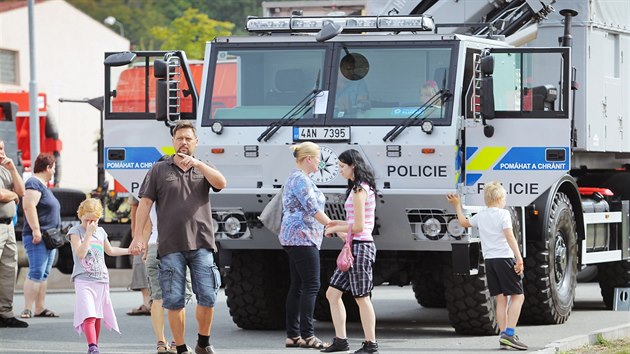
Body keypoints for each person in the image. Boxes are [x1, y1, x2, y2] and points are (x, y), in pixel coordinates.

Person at [129, 120, 227, 354]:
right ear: (173, 142)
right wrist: (137, 237)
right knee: (174, 300)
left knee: (208, 296)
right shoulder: (159, 170)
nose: (183, 142)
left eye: (188, 139)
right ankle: (181, 347)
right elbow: (144, 204)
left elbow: (221, 183)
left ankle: (203, 342)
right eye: (179, 138)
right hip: (170, 246)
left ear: (196, 143)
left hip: (202, 244)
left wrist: (199, 165)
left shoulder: (204, 168)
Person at [446, 182, 527, 351]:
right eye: (504, 198)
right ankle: (510, 334)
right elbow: (510, 236)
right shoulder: (504, 214)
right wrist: (519, 258)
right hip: (505, 259)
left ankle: (503, 335)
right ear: (499, 198)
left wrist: (457, 205)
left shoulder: (481, 215)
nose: (505, 201)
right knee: (518, 297)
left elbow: (463, 223)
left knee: (500, 299)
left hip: (490, 261)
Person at [322, 149, 379, 354]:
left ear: (353, 165)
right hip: (354, 248)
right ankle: (341, 340)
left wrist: (336, 228)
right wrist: (336, 223)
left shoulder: (359, 190)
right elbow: (354, 222)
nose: (339, 170)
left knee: (362, 297)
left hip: (360, 247)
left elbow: (359, 227)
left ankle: (371, 344)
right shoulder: (358, 188)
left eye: (342, 166)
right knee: (332, 293)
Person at [280, 142, 332, 349]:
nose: (320, 162)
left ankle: (293, 335)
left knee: (298, 286)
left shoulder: (297, 178)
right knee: (311, 285)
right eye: (318, 158)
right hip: (302, 237)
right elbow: (312, 208)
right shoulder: (300, 180)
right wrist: (333, 226)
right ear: (309, 159)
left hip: (296, 237)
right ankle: (308, 336)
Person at [68, 198, 132, 354]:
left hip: (101, 279)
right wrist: (88, 235)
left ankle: (94, 346)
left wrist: (129, 251)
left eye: (94, 220)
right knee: (89, 315)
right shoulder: (75, 232)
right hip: (83, 279)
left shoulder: (101, 231)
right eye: (86, 219)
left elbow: (110, 251)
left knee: (97, 316)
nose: (90, 223)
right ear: (80, 215)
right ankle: (92, 347)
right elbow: (81, 253)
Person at [145, 155, 194, 354]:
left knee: (157, 298)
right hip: (178, 247)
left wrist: (145, 246)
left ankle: (160, 342)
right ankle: (176, 343)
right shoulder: (178, 192)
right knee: (179, 297)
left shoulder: (149, 194)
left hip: (153, 246)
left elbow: (147, 225)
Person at [21, 153, 60, 319]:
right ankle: (27, 308)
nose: (54, 171)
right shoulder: (33, 183)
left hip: (48, 238)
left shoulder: (42, 185)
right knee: (36, 272)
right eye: (54, 168)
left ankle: (39, 307)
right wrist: (36, 230)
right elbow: (29, 206)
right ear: (48, 167)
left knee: (43, 274)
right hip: (38, 237)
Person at [0, 139, 27, 328]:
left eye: (2, 148)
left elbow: (21, 190)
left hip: (8, 226)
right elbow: (3, 195)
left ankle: (5, 313)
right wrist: (13, 196)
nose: (1, 151)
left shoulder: (5, 169)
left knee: (10, 269)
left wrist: (13, 169)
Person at [126, 196, 151, 316]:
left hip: (146, 230)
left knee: (140, 263)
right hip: (154, 230)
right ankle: (150, 303)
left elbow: (134, 207)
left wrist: (135, 233)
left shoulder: (137, 181)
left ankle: (148, 304)